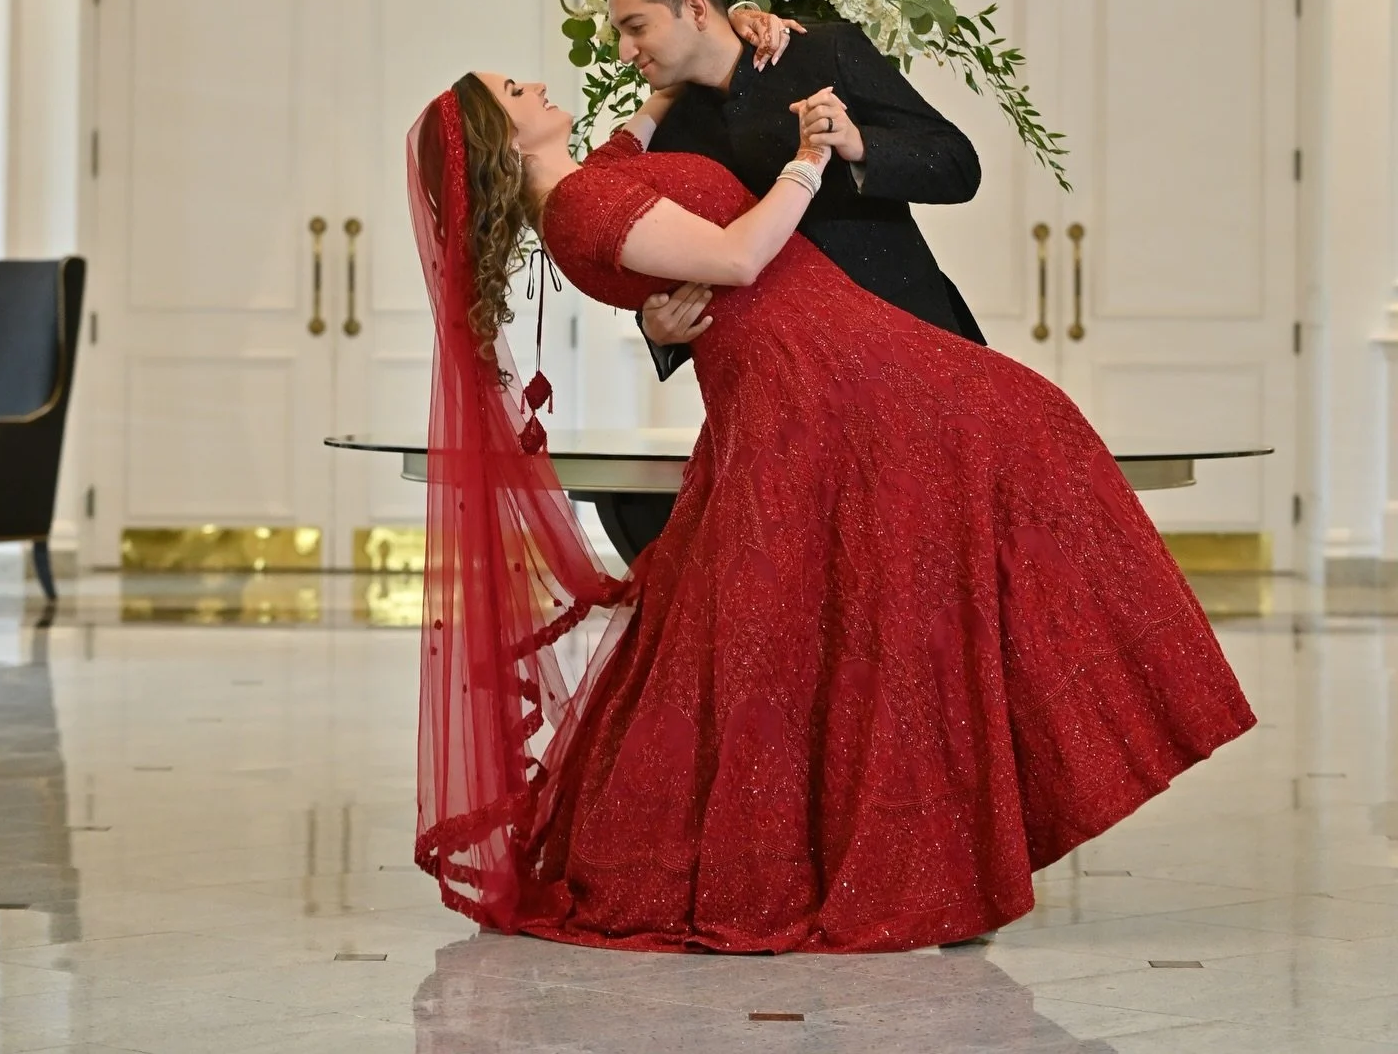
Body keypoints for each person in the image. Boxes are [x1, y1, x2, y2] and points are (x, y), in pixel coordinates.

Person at [407, 70, 1255, 953]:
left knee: (897, 578)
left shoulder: (592, 183)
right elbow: (736, 258)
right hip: (816, 373)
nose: (538, 82)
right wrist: (810, 158)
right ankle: (1045, 764)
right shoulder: (579, 205)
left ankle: (978, 818)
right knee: (983, 478)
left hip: (826, 354)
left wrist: (682, 69)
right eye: (515, 91)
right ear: (504, 141)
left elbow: (637, 142)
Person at [589, 0, 985, 370]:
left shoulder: (823, 51)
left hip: (916, 347)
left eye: (637, 27)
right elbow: (681, 276)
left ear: (696, 10)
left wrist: (858, 143)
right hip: (789, 387)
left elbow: (958, 166)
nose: (624, 51)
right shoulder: (667, 138)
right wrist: (657, 328)